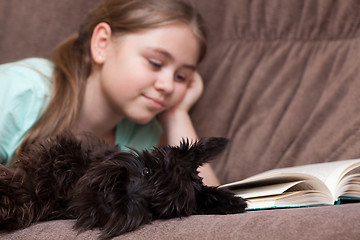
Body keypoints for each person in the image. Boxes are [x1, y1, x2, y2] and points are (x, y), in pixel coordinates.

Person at [0, 0, 219, 186]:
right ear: (102, 44)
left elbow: (211, 212)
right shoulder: (21, 90)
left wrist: (176, 115)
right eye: (155, 63)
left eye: (181, 77)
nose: (168, 86)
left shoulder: (143, 135)